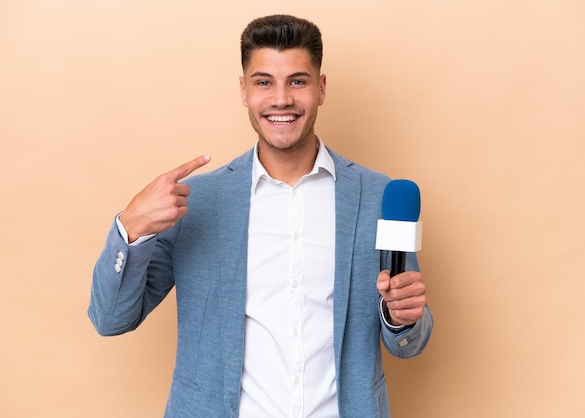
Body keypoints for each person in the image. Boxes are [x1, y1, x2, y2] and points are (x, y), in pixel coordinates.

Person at [88, 14, 433, 418]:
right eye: (264, 82)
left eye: (298, 81)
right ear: (244, 90)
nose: (281, 99)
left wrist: (402, 320)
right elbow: (110, 319)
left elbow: (410, 337)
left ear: (321, 89)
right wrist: (131, 230)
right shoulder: (196, 201)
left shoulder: (377, 196)